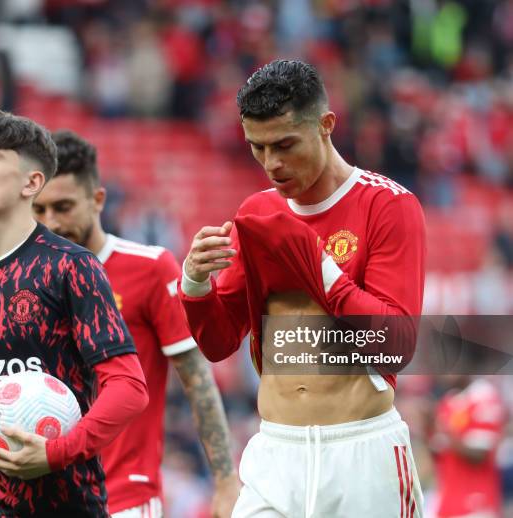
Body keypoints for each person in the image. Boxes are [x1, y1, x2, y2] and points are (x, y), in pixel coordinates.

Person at [0, 129, 240, 517]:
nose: (52, 220)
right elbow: (12, 367)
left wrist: (225, 480)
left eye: (63, 207)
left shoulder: (138, 268)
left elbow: (192, 378)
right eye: (42, 210)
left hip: (116, 491)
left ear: (96, 200)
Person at [179, 60, 426, 517]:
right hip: (276, 452)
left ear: (326, 125)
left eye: (285, 144)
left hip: (361, 451)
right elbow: (217, 343)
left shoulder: (388, 205)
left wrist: (317, 266)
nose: (272, 163)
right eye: (258, 147)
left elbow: (397, 345)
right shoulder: (255, 213)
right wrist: (194, 282)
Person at [0, 108, 148, 517]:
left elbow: (129, 389)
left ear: (32, 182)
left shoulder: (70, 267)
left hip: (63, 505)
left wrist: (56, 453)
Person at [431, 375, 506, 518]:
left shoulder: (484, 397)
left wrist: (448, 436)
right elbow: (439, 454)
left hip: (476, 505)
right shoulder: (449, 399)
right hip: (448, 503)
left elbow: (480, 455)